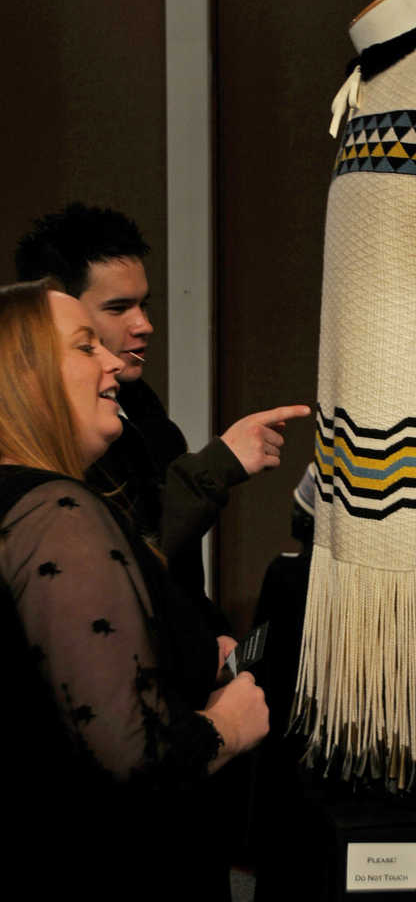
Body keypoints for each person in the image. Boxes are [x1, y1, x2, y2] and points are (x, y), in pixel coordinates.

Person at [0, 278, 269, 801]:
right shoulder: (56, 512)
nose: (114, 362)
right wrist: (229, 727)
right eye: (84, 345)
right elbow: (133, 755)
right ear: (26, 379)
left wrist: (182, 654)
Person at [15, 203, 310, 630]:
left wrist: (211, 640)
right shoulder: (49, 431)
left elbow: (174, 572)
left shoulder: (138, 400)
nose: (144, 324)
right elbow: (126, 558)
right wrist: (219, 463)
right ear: (59, 313)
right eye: (118, 309)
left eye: (143, 305)